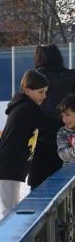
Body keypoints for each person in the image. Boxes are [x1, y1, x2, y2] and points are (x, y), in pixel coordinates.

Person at [0, 70, 58, 216]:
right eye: (41, 92)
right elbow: (49, 124)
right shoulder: (27, 108)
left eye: (45, 92)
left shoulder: (26, 106)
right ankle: (10, 237)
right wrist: (68, 124)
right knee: (10, 210)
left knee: (12, 208)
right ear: (27, 90)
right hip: (7, 165)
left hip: (10, 164)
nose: (44, 96)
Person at [29, 44, 75, 188]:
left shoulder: (35, 78)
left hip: (41, 140)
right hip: (68, 137)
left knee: (38, 186)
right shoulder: (72, 77)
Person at [57, 94, 75, 165]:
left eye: (67, 115)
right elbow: (62, 154)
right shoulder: (63, 132)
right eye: (62, 116)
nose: (64, 119)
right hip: (69, 173)